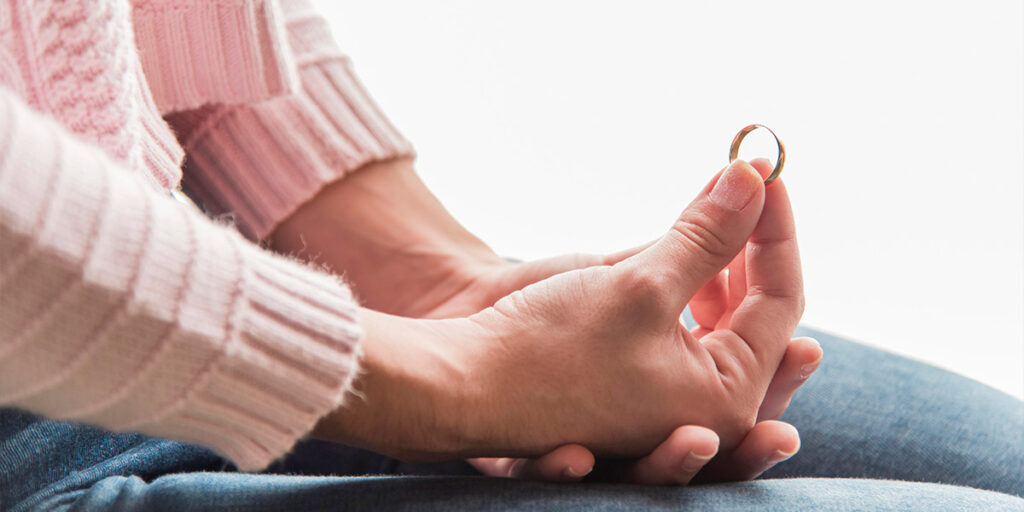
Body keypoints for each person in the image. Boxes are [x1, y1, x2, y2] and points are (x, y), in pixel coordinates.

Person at [0, 1, 1020, 510]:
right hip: (38, 431)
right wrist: (457, 378)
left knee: (1001, 461)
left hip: (181, 273)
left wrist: (439, 290)